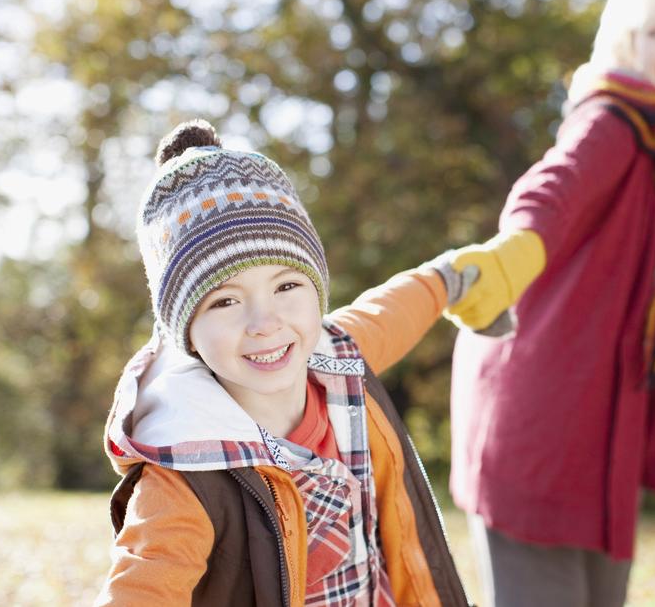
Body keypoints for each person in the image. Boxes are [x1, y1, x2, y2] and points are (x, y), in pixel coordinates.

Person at [442, 0, 655, 605]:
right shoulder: (614, 123)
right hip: (540, 407)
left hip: (610, 418)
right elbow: (556, 186)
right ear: (627, 46)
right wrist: (513, 251)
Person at [95, 120, 471, 606]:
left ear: (316, 293)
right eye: (225, 302)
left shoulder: (338, 356)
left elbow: (397, 308)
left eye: (287, 286)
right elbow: (142, 587)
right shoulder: (184, 467)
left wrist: (455, 277)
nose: (264, 322)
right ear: (184, 330)